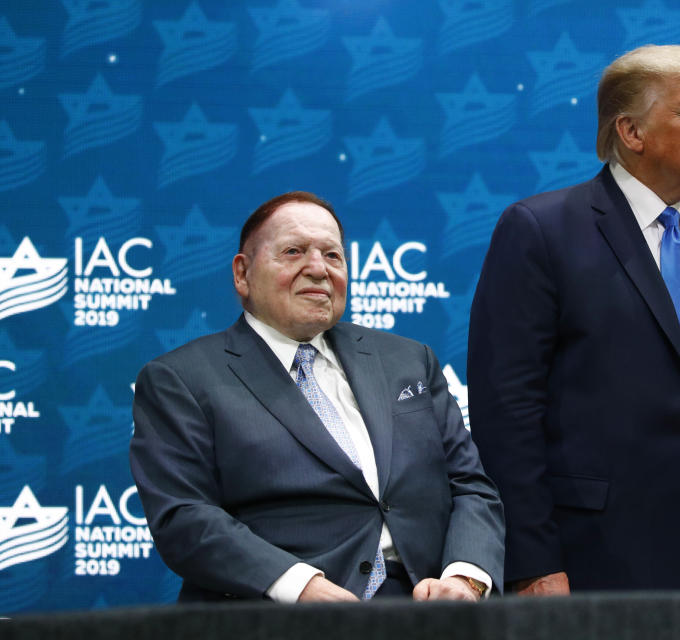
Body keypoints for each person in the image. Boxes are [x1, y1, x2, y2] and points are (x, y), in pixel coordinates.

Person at [467, 44, 680, 594]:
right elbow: (506, 413)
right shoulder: (541, 231)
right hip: (589, 568)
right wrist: (531, 561)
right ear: (631, 132)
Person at [131, 191, 504, 602]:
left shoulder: (409, 360)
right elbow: (183, 516)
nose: (318, 269)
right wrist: (299, 586)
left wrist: (464, 579)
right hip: (275, 612)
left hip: (424, 606)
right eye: (293, 252)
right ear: (242, 274)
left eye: (333, 256)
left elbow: (470, 486)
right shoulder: (179, 379)